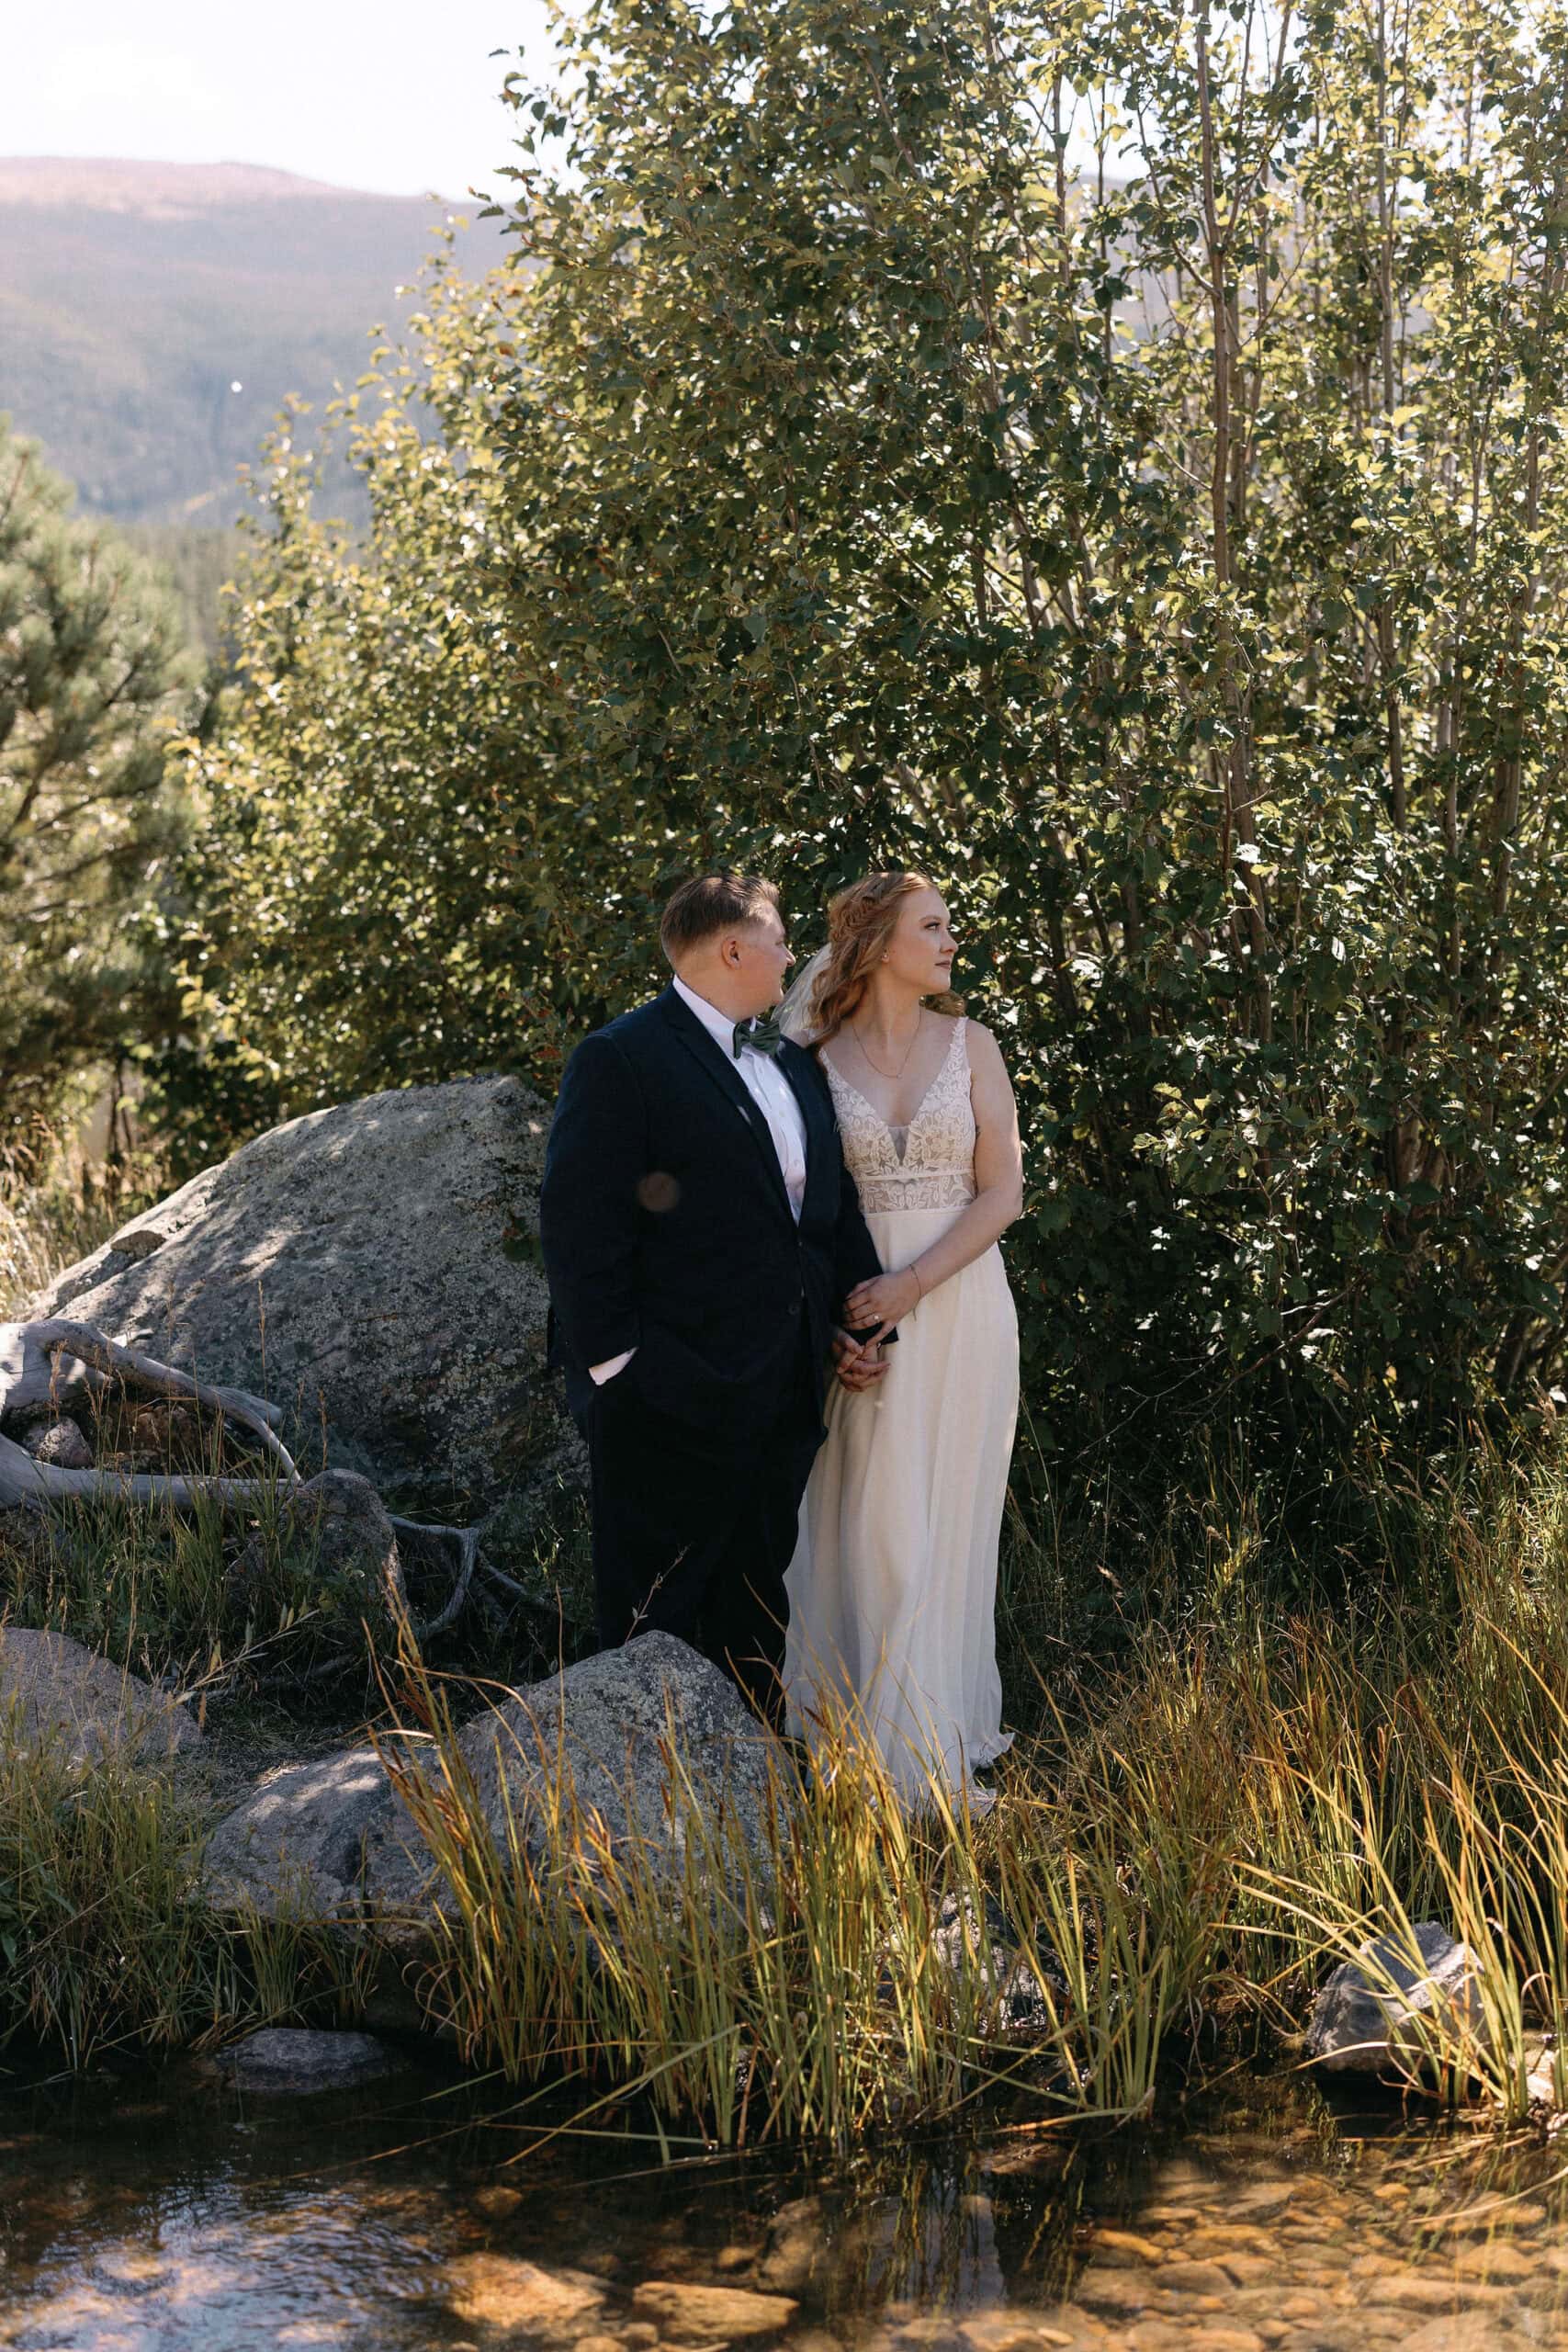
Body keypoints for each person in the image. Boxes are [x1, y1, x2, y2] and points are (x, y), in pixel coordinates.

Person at [538, 871, 893, 1726]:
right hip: (662, 1390)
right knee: (649, 1616)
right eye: (778, 938)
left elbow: (823, 1208)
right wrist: (619, 1367)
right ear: (733, 948)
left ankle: (753, 1816)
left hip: (784, 1381)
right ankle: (633, 1822)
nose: (789, 955)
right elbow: (580, 1223)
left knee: (755, 1607)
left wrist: (856, 1323)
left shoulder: (787, 1062)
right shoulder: (622, 1056)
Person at [781, 871, 1024, 1806]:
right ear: (879, 944)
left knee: (940, 1521)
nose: (951, 939)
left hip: (957, 1301)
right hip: (851, 1315)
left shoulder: (974, 1046)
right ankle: (845, 1728)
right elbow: (795, 1207)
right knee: (864, 1519)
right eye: (934, 925)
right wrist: (844, 1315)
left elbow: (1003, 1192)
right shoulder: (808, 1056)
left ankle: (923, 1743)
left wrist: (911, 1286)